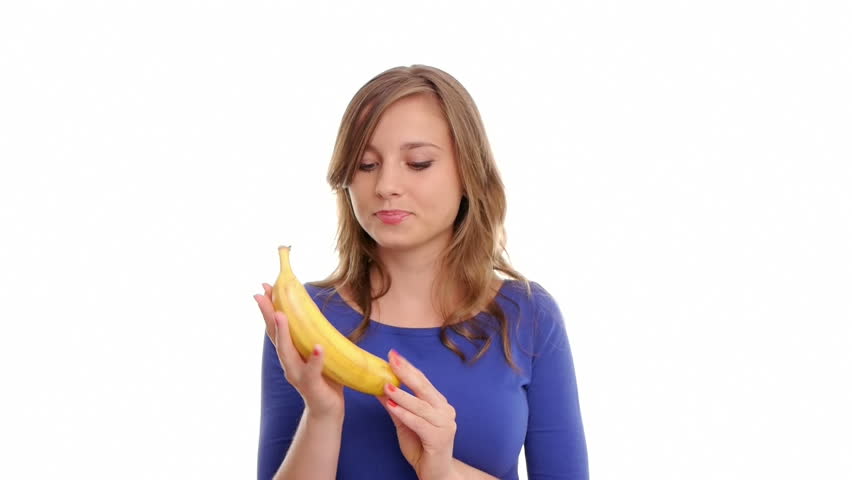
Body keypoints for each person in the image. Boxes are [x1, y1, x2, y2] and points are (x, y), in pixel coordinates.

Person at [254, 64, 589, 480]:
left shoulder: (528, 315)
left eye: (418, 162)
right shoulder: (304, 319)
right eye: (365, 164)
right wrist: (322, 415)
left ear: (468, 173)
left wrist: (442, 470)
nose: (386, 185)